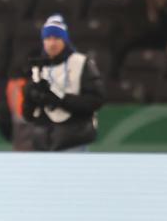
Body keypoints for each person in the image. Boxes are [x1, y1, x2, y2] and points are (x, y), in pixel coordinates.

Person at [21, 14, 105, 151]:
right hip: (42, 143)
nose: (52, 43)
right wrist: (30, 96)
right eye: (48, 38)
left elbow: (96, 100)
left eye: (57, 38)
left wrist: (60, 99)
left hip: (74, 141)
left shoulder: (81, 62)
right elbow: (28, 115)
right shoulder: (37, 67)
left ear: (65, 40)